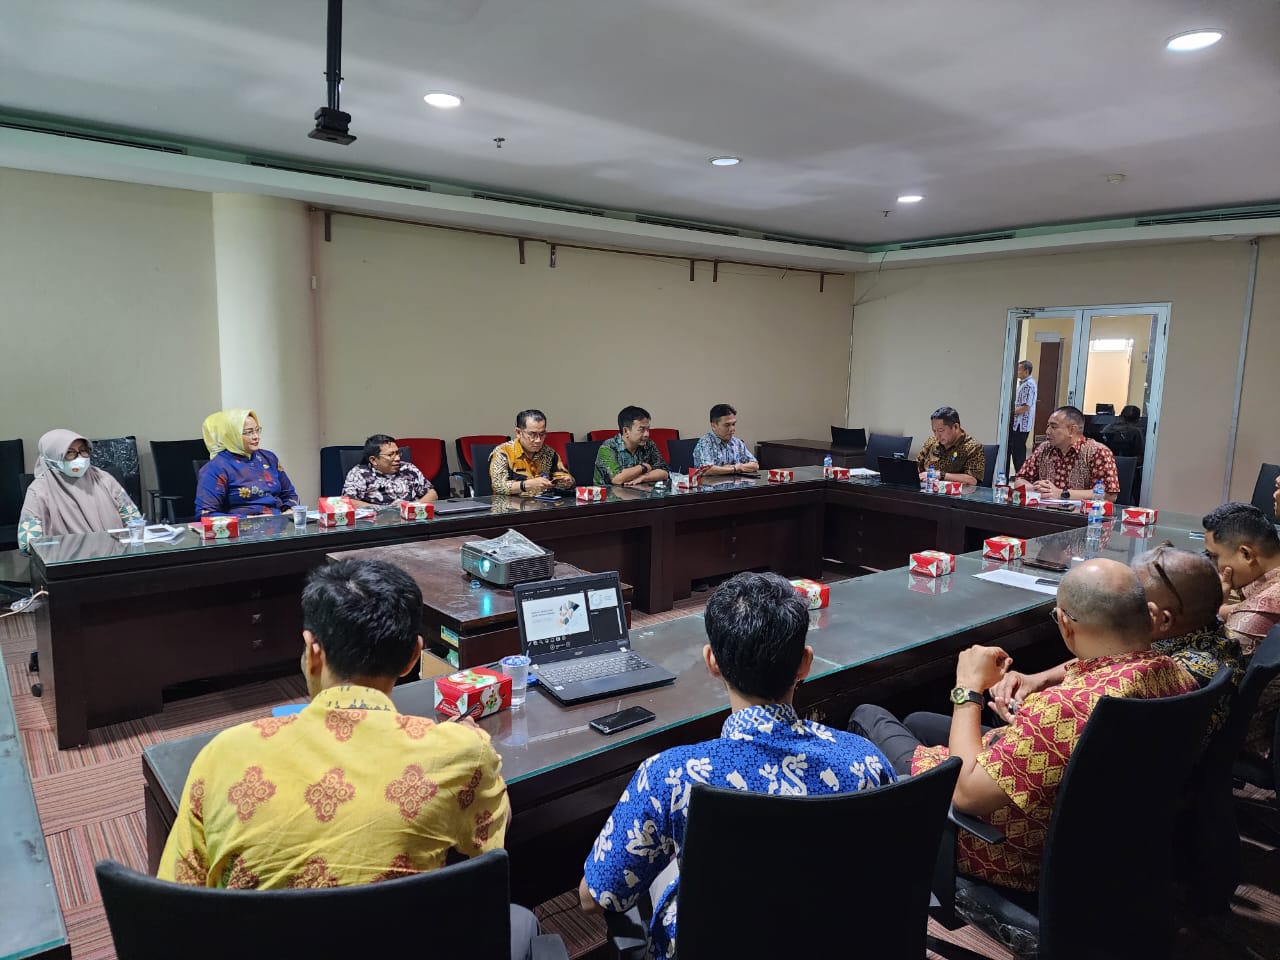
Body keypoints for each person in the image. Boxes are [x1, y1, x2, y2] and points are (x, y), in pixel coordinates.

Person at [157, 558, 540, 959]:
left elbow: (175, 910)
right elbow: (492, 843)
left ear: (312, 651)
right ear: (414, 658)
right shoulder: (460, 753)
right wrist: (474, 751)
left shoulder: (223, 755)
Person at [579, 572, 895, 956]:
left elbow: (597, 897)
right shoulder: (863, 759)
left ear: (712, 661)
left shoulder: (672, 776)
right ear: (805, 664)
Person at [849, 559, 1196, 893]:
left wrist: (968, 688)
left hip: (1011, 848)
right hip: (1107, 842)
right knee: (916, 722)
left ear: (1065, 624)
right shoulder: (1174, 672)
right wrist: (1030, 717)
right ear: (1145, 616)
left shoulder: (1064, 707)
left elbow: (966, 796)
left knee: (868, 715)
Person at [989, 545, 1242, 733]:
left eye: (1134, 600)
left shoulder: (1174, 674)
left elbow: (1077, 729)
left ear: (1161, 619)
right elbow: (1108, 659)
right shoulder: (1204, 637)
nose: (1122, 602)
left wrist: (1016, 713)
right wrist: (1038, 679)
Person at [1202, 502, 1280, 757]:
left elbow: (1209, 670)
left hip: (1247, 733)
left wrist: (1208, 611)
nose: (1214, 565)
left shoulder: (1262, 607)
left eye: (1214, 557)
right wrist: (1221, 607)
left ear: (1246, 554)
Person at [17, 429, 143, 554]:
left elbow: (133, 518)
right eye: (70, 453)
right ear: (52, 457)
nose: (80, 457)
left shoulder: (104, 479)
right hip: (68, 563)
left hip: (116, 555)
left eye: (83, 450)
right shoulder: (39, 490)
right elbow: (26, 544)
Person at [195, 409, 299, 517]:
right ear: (231, 435)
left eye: (257, 430)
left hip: (279, 525)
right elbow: (205, 514)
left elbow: (290, 494)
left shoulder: (269, 458)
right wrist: (249, 519)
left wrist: (289, 510)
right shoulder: (216, 467)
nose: (256, 436)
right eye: (249, 432)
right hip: (243, 529)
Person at [1013, 405, 1120, 502]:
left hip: (1083, 518)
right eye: (1048, 426)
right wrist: (1038, 489)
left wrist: (1062, 494)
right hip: (1045, 513)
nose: (1047, 431)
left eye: (1054, 427)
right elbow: (1019, 480)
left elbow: (1109, 495)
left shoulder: (1097, 452)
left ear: (1071, 430)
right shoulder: (1044, 448)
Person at [489, 410, 575, 496]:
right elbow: (498, 486)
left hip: (545, 504)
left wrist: (566, 482)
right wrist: (527, 485)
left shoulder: (549, 453)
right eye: (532, 434)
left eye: (542, 434)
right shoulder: (503, 452)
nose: (538, 440)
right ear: (518, 432)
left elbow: (561, 475)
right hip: (512, 506)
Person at [342, 434, 437, 506]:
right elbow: (348, 501)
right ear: (373, 460)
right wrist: (382, 510)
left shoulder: (408, 468)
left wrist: (414, 507)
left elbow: (432, 493)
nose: (397, 458)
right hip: (377, 524)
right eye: (390, 455)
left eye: (398, 453)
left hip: (412, 520)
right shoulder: (359, 473)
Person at [594, 405, 670, 486]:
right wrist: (644, 467)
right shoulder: (608, 447)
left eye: (648, 429)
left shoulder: (648, 444)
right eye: (642, 429)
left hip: (640, 494)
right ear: (626, 431)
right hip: (610, 496)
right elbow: (617, 479)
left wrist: (643, 477)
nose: (647, 434)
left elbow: (665, 472)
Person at [915, 405, 986, 485]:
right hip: (929, 490)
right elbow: (916, 466)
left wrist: (940, 475)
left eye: (941, 430)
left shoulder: (973, 447)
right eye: (934, 431)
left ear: (956, 427)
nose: (937, 436)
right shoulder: (931, 442)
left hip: (957, 494)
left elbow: (972, 480)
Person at [691, 403, 759, 475]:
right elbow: (706, 470)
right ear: (713, 426)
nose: (732, 429)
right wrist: (734, 468)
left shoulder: (737, 442)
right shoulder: (705, 443)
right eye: (727, 425)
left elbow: (755, 465)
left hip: (737, 485)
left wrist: (739, 467)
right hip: (711, 485)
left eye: (733, 424)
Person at [1008, 360, 1037, 472]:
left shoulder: (1028, 385)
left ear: (1026, 371)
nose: (1017, 372)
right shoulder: (1025, 383)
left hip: (1021, 425)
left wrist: (1010, 413)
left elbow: (1026, 406)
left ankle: (1021, 474)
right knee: (1016, 450)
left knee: (1018, 451)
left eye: (1019, 369)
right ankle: (1018, 474)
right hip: (1018, 424)